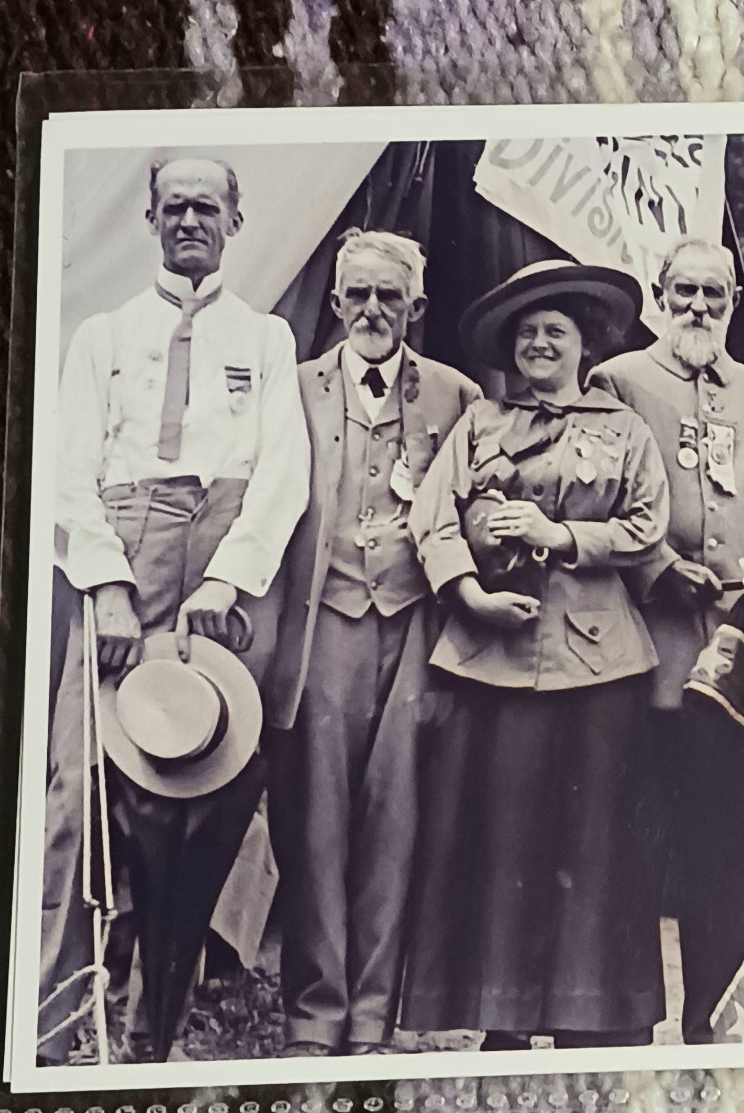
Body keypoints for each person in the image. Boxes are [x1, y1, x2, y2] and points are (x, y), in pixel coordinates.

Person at [43, 157, 309, 1062]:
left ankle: (151, 1029)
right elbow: (67, 466)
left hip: (224, 551)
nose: (190, 219)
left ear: (238, 219)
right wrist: (108, 584)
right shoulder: (104, 336)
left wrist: (231, 577)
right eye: (174, 206)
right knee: (84, 784)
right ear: (149, 220)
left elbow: (283, 471)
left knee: (199, 790)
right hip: (130, 537)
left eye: (208, 206)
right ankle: (50, 1023)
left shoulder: (266, 339)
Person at [400, 259, 669, 1050]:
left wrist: (566, 537)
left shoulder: (622, 429)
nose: (538, 343)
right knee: (502, 842)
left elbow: (649, 522)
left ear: (587, 343)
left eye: (555, 330)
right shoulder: (480, 423)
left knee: (595, 843)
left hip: (602, 662)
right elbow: (430, 517)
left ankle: (597, 1016)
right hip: (496, 659)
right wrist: (467, 594)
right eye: (525, 333)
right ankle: (504, 1020)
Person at [262, 230, 482, 1057]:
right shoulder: (295, 390)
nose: (372, 310)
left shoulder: (455, 396)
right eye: (357, 294)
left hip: (415, 625)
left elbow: (476, 504)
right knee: (314, 825)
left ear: (417, 308)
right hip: (323, 627)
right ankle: (315, 1015)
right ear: (335, 301)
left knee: (399, 819)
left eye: (390, 297)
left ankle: (373, 1017)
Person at [592, 238, 744, 916]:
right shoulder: (619, 379)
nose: (696, 305)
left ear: (733, 301)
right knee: (648, 837)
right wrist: (659, 567)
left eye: (712, 293)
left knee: (728, 842)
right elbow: (601, 505)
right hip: (652, 641)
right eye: (683, 291)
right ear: (661, 297)